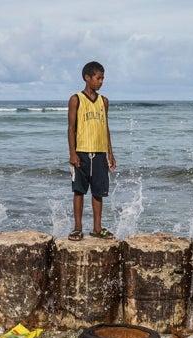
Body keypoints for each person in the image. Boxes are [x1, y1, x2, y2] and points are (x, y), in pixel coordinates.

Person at [67, 61, 117, 241]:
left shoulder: (104, 101)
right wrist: (72, 153)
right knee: (79, 190)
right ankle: (77, 228)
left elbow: (106, 128)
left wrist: (110, 153)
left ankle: (97, 228)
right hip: (81, 152)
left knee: (98, 192)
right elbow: (71, 128)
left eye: (103, 78)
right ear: (87, 78)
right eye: (98, 78)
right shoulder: (76, 99)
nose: (101, 81)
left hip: (100, 153)